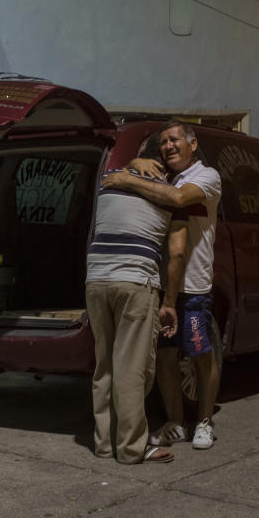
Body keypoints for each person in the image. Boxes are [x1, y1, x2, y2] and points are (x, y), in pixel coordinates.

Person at [102, 120, 222, 450]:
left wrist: (128, 177)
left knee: (199, 353)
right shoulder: (164, 175)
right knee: (166, 359)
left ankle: (205, 421)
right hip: (161, 284)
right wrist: (134, 165)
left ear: (192, 143)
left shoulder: (206, 178)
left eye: (174, 140)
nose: (168, 146)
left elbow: (181, 199)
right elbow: (123, 179)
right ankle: (175, 422)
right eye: (163, 142)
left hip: (194, 287)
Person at [85, 134, 188, 464]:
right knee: (132, 370)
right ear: (160, 163)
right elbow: (177, 253)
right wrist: (169, 301)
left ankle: (104, 444)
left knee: (105, 367)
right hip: (135, 280)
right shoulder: (171, 197)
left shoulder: (108, 181)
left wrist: (130, 167)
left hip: (97, 278)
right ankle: (131, 448)